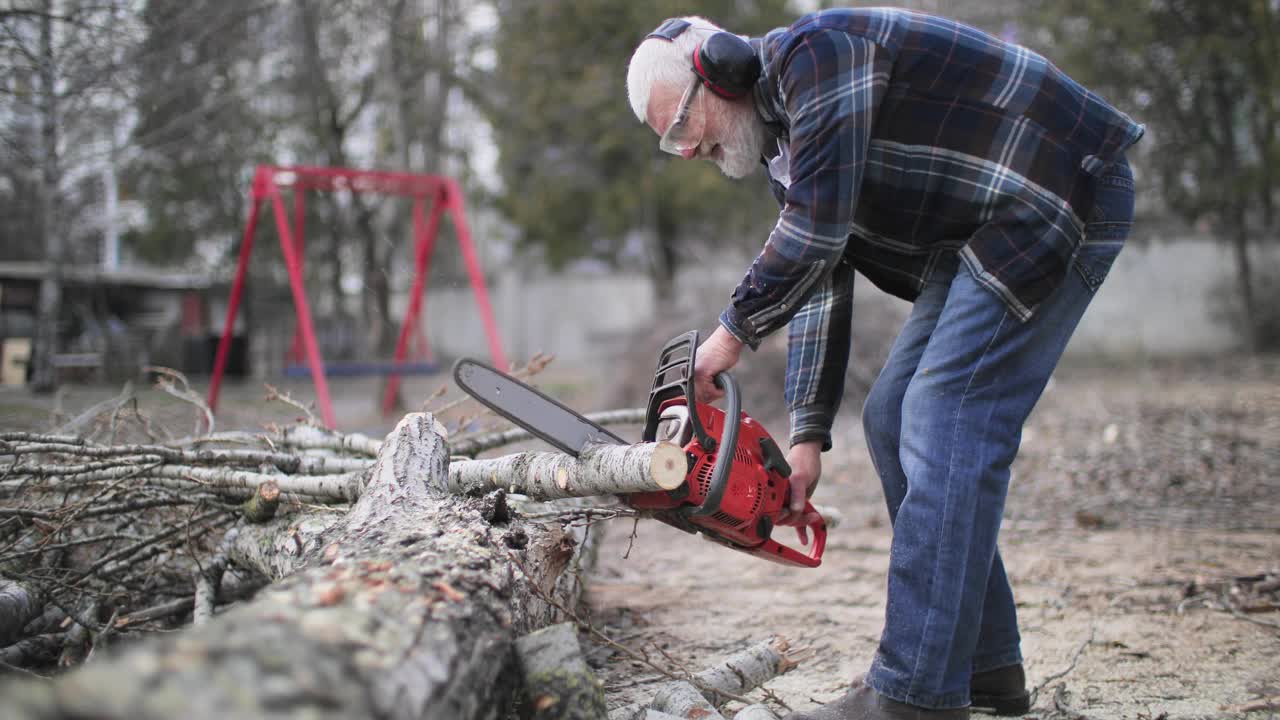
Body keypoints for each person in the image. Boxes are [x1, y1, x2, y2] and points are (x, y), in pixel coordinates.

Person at [626, 9, 1142, 720]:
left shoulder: (819, 56)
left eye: (681, 125)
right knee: (892, 415)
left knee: (944, 413)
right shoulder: (789, 149)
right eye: (668, 143)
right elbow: (820, 275)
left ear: (721, 67)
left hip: (1056, 190)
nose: (684, 150)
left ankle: (915, 692)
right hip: (983, 231)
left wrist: (730, 334)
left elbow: (815, 233)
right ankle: (986, 668)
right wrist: (805, 438)